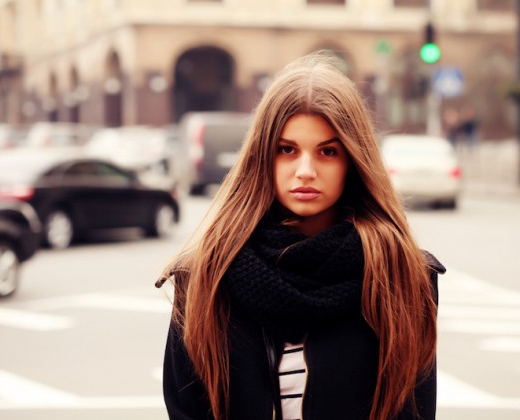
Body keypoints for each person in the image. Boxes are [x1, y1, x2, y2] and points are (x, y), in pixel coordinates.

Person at [156, 51, 445, 420]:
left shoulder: (401, 272)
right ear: (262, 156)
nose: (305, 170)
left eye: (327, 151)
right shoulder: (205, 275)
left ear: (353, 161)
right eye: (287, 150)